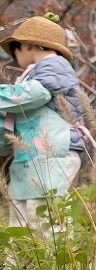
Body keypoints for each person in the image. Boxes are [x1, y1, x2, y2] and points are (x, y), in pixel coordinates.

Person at [0, 14, 88, 235]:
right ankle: (18, 269)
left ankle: (54, 266)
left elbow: (35, 95)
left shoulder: (54, 65)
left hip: (53, 153)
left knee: (45, 214)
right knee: (20, 219)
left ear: (28, 45)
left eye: (15, 50)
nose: (14, 58)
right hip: (30, 156)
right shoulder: (32, 75)